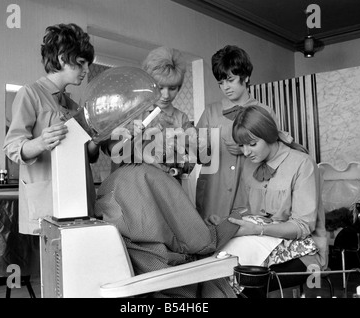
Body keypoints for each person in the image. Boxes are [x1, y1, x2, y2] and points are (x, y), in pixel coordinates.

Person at [94, 138, 243, 298]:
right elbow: (200, 242)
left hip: (133, 273)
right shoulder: (154, 176)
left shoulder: (112, 180)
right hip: (162, 276)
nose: (184, 163)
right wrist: (233, 224)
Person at [4, 23, 99, 235]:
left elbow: (88, 156)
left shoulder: (74, 106)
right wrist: (40, 142)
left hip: (78, 198)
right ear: (63, 58)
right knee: (50, 263)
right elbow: (12, 147)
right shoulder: (30, 94)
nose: (87, 70)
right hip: (46, 199)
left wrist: (97, 139)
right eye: (82, 63)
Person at [227, 105, 327, 296]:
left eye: (252, 144)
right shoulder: (249, 165)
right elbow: (244, 210)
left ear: (269, 135)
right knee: (221, 274)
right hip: (259, 244)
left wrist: (258, 229)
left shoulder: (302, 164)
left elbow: (302, 226)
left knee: (249, 283)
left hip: (303, 252)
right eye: (241, 145)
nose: (246, 152)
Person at [195, 45, 279, 221]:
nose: (225, 87)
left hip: (249, 192)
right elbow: (198, 154)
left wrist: (244, 148)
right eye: (220, 82)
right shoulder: (210, 112)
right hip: (213, 194)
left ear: (246, 77)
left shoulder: (264, 112)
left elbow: (277, 156)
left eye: (230, 80)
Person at [103, 46, 195, 179]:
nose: (166, 95)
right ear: (148, 84)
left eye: (172, 88)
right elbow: (113, 152)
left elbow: (188, 165)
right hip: (132, 187)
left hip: (167, 189)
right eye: (160, 87)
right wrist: (128, 137)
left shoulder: (181, 118)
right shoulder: (131, 112)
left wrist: (181, 159)